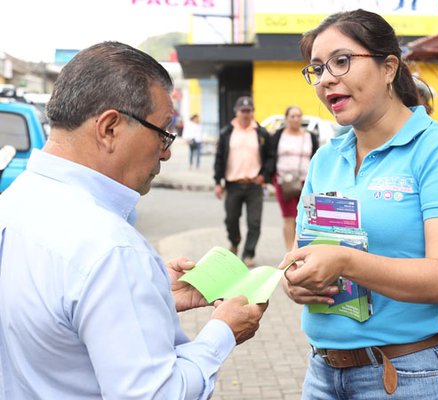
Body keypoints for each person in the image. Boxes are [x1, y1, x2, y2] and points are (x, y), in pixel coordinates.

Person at [0, 41, 268, 399]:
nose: (168, 151)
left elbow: (54, 323)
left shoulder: (16, 200)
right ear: (110, 127)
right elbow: (156, 394)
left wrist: (147, 294)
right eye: (162, 132)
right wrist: (221, 333)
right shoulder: (112, 249)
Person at [283, 9, 438, 399]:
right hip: (323, 375)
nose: (327, 78)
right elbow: (303, 252)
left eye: (341, 61)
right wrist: (295, 282)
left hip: (412, 375)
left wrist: (345, 262)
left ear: (388, 67)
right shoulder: (325, 158)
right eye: (316, 69)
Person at [213, 96, 276, 267]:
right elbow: (219, 158)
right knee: (231, 219)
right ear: (237, 111)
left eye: (249, 111)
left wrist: (264, 175)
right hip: (233, 184)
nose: (246, 114)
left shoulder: (261, 133)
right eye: (243, 111)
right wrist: (217, 182)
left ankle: (249, 253)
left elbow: (271, 157)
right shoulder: (227, 132)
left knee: (254, 221)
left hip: (254, 185)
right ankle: (235, 241)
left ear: (252, 112)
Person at [272, 106, 319, 251]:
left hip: (307, 182)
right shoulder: (278, 135)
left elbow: (316, 157)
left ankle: (306, 250)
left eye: (299, 116)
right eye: (292, 116)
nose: (296, 119)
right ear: (286, 118)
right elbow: (270, 155)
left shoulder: (309, 136)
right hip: (284, 181)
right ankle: (289, 251)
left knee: (310, 217)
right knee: (289, 217)